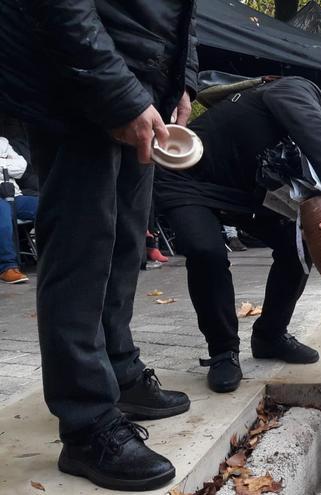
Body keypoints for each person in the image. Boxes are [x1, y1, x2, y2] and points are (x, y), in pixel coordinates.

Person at [1, 1, 198, 490]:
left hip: (142, 86)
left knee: (126, 244)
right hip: (78, 79)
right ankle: (86, 423)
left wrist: (181, 81)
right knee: (80, 252)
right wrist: (117, 92)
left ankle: (119, 371)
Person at [154, 80, 321, 393]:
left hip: (247, 196)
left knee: (298, 244)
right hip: (189, 179)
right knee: (205, 251)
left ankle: (270, 336)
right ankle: (223, 351)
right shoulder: (300, 92)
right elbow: (310, 127)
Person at [0, 134, 36, 283]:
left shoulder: (3, 142)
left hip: (15, 195)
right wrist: (6, 162)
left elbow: (22, 166)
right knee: (2, 214)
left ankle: (66, 257)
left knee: (51, 207)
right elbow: (16, 166)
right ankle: (8, 267)